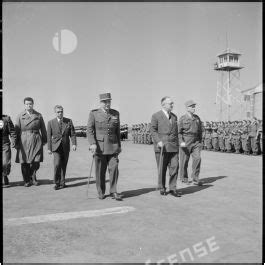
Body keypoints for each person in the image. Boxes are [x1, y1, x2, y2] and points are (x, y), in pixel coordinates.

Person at [87, 93, 122, 200]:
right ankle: (101, 191)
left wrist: (119, 146)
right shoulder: (94, 114)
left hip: (113, 146)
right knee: (100, 171)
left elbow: (117, 131)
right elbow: (90, 130)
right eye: (105, 102)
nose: (107, 104)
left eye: (109, 101)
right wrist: (92, 143)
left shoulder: (115, 113)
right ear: (100, 103)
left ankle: (113, 191)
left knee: (114, 168)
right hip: (100, 147)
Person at [150, 96, 181, 197]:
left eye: (172, 103)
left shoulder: (174, 117)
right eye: (170, 103)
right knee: (162, 169)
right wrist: (158, 141)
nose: (172, 105)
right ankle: (162, 187)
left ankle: (173, 188)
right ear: (163, 105)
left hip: (173, 147)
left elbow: (176, 132)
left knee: (175, 167)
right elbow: (153, 130)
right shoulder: (156, 116)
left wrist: (179, 143)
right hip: (162, 147)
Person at [15, 97, 47, 187]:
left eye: (30, 104)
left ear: (33, 104)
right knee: (24, 161)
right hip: (24, 140)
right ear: (24, 105)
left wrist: (44, 140)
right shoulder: (20, 116)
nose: (29, 105)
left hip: (36, 139)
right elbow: (16, 130)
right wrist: (15, 143)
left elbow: (43, 128)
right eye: (27, 104)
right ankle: (26, 180)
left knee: (36, 160)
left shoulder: (38, 115)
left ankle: (33, 176)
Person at [47, 105, 77, 190]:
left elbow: (73, 134)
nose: (60, 113)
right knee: (57, 164)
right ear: (55, 112)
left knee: (64, 165)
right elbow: (49, 136)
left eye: (61, 111)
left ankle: (62, 183)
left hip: (65, 147)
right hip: (55, 147)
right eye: (58, 112)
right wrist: (49, 148)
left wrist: (74, 144)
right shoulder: (50, 122)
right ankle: (56, 183)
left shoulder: (68, 121)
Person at [178, 100, 203, 186]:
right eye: (192, 106)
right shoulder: (182, 118)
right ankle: (184, 178)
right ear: (187, 108)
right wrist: (181, 142)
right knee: (184, 160)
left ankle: (195, 179)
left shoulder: (197, 118)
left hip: (196, 141)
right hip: (186, 140)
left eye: (194, 106)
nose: (194, 108)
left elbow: (200, 130)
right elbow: (179, 132)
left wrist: (200, 141)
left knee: (197, 158)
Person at [2, 115, 17, 187]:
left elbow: (12, 131)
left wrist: (13, 140)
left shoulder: (6, 119)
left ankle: (5, 175)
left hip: (5, 143)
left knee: (6, 162)